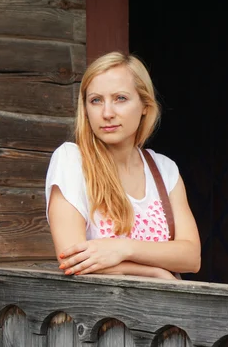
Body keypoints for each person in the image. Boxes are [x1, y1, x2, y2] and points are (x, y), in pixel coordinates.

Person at [45, 52, 201, 280]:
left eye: (120, 98)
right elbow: (72, 259)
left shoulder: (164, 169)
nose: (107, 113)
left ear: (145, 105)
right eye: (96, 100)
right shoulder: (72, 160)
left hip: (161, 314)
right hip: (100, 313)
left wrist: (123, 249)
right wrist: (154, 272)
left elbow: (191, 257)